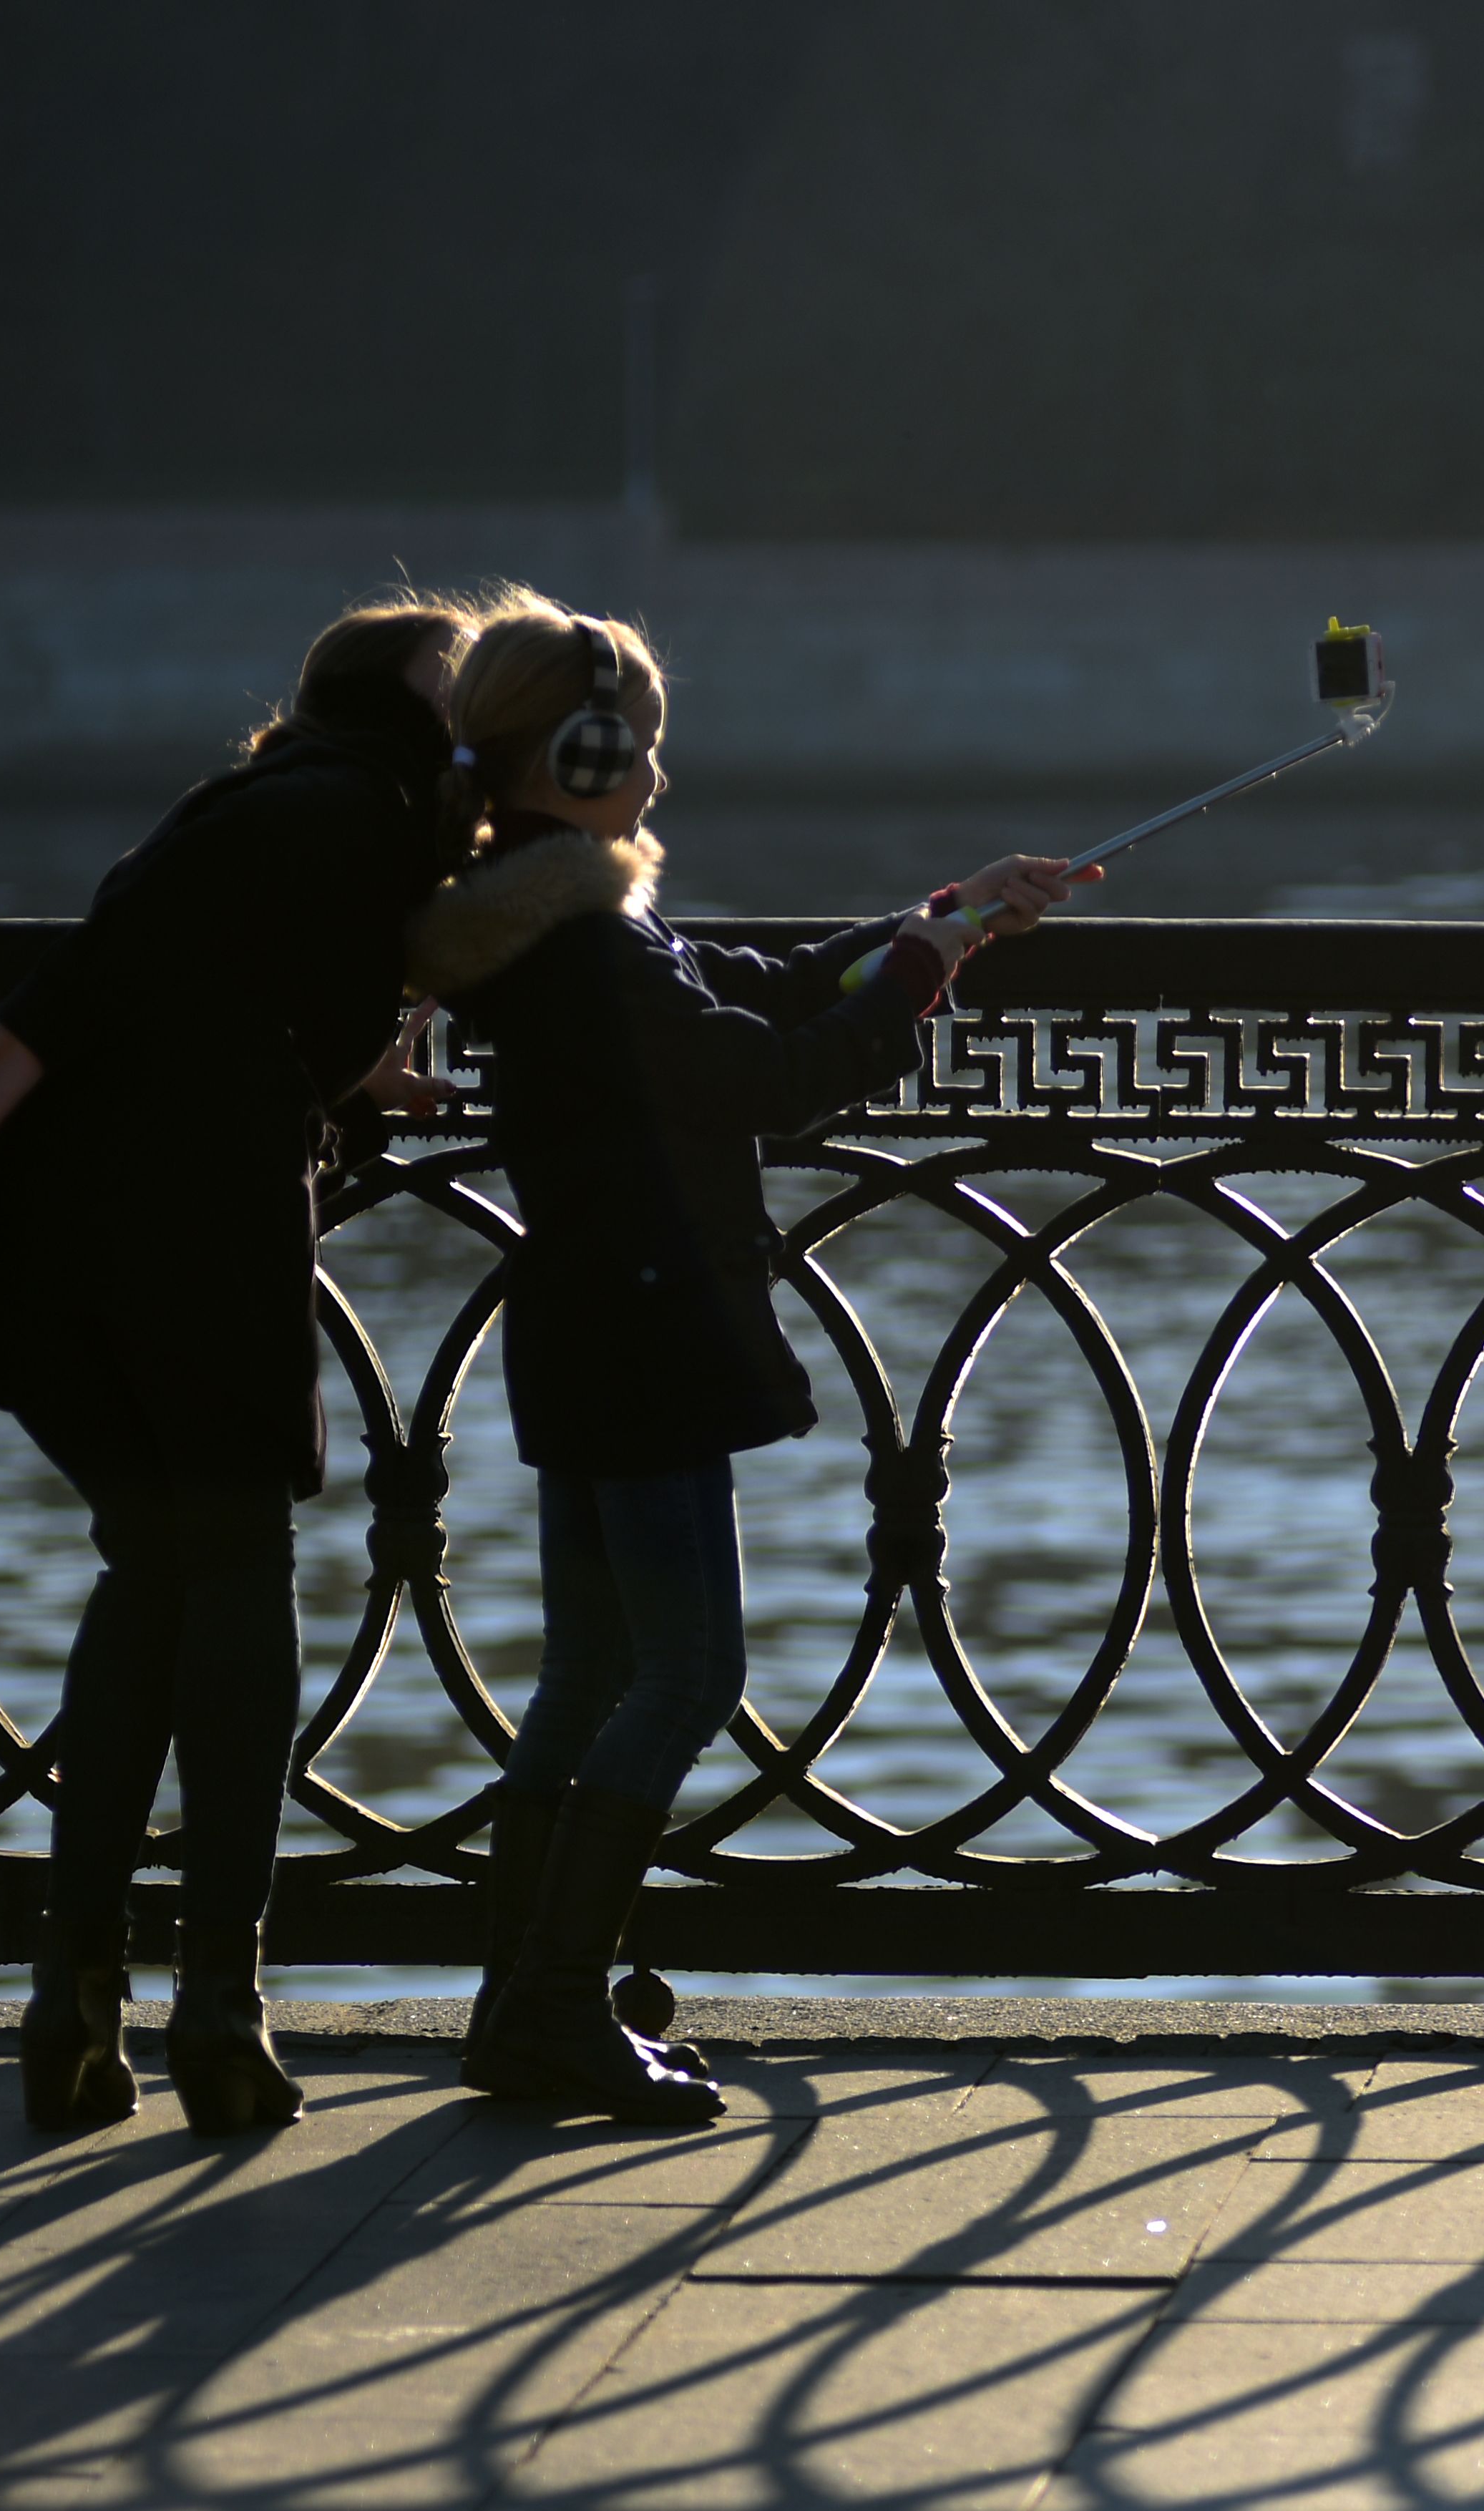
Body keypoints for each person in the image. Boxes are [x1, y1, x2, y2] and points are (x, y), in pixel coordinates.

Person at [401, 602, 1070, 2120]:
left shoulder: (548, 921)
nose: (653, 764)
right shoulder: (581, 945)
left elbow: (745, 988)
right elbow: (773, 1074)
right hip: (643, 1336)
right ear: (581, 754)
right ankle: (556, 2010)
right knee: (687, 1672)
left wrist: (940, 921)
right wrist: (908, 975)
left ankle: (518, 2008)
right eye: (634, 737)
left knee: (585, 1677)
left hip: (585, 1329)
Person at [0, 595, 476, 2136]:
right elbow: (161, 957)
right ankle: (220, 2009)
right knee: (238, 1601)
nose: (468, 714)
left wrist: (343, 1081)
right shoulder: (348, 802)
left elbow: (212, 992)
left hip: (69, 1246)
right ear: (399, 701)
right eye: (453, 684)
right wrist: (28, 1029)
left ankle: (73, 2003)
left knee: (150, 1580)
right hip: (185, 1251)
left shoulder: (279, 800)